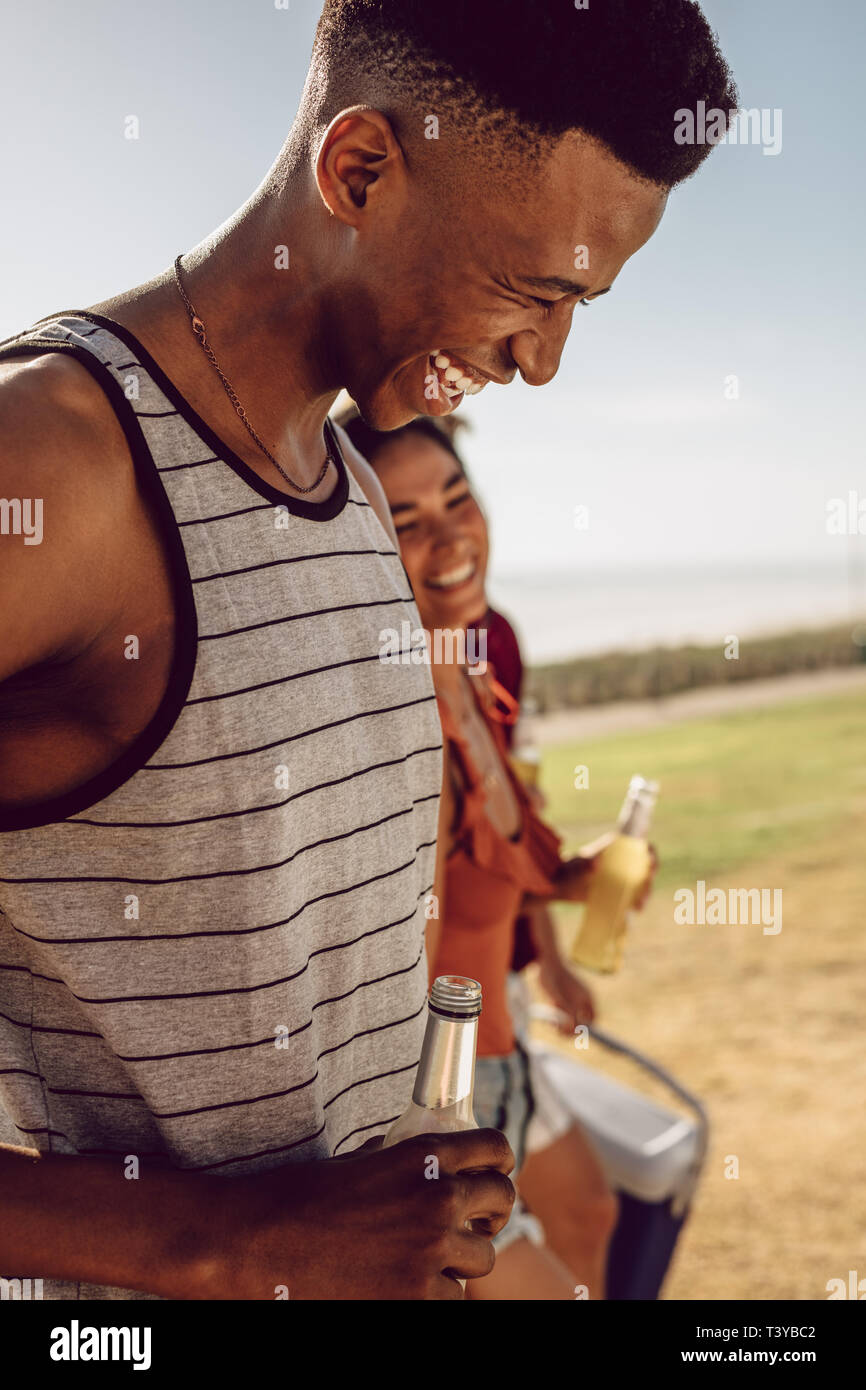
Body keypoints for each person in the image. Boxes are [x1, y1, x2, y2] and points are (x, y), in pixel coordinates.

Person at [0, 1, 734, 1299]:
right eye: (537, 288)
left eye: (586, 305)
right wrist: (239, 1245)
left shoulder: (346, 483)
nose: (545, 360)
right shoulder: (54, 468)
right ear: (359, 172)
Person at [337, 409, 655, 1299]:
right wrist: (428, 1166)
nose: (448, 537)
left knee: (592, 1215)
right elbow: (408, 980)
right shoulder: (410, 731)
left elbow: (495, 876)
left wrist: (578, 881)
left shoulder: (471, 667)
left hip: (504, 1072)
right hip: (452, 1108)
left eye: (457, 500)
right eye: (405, 523)